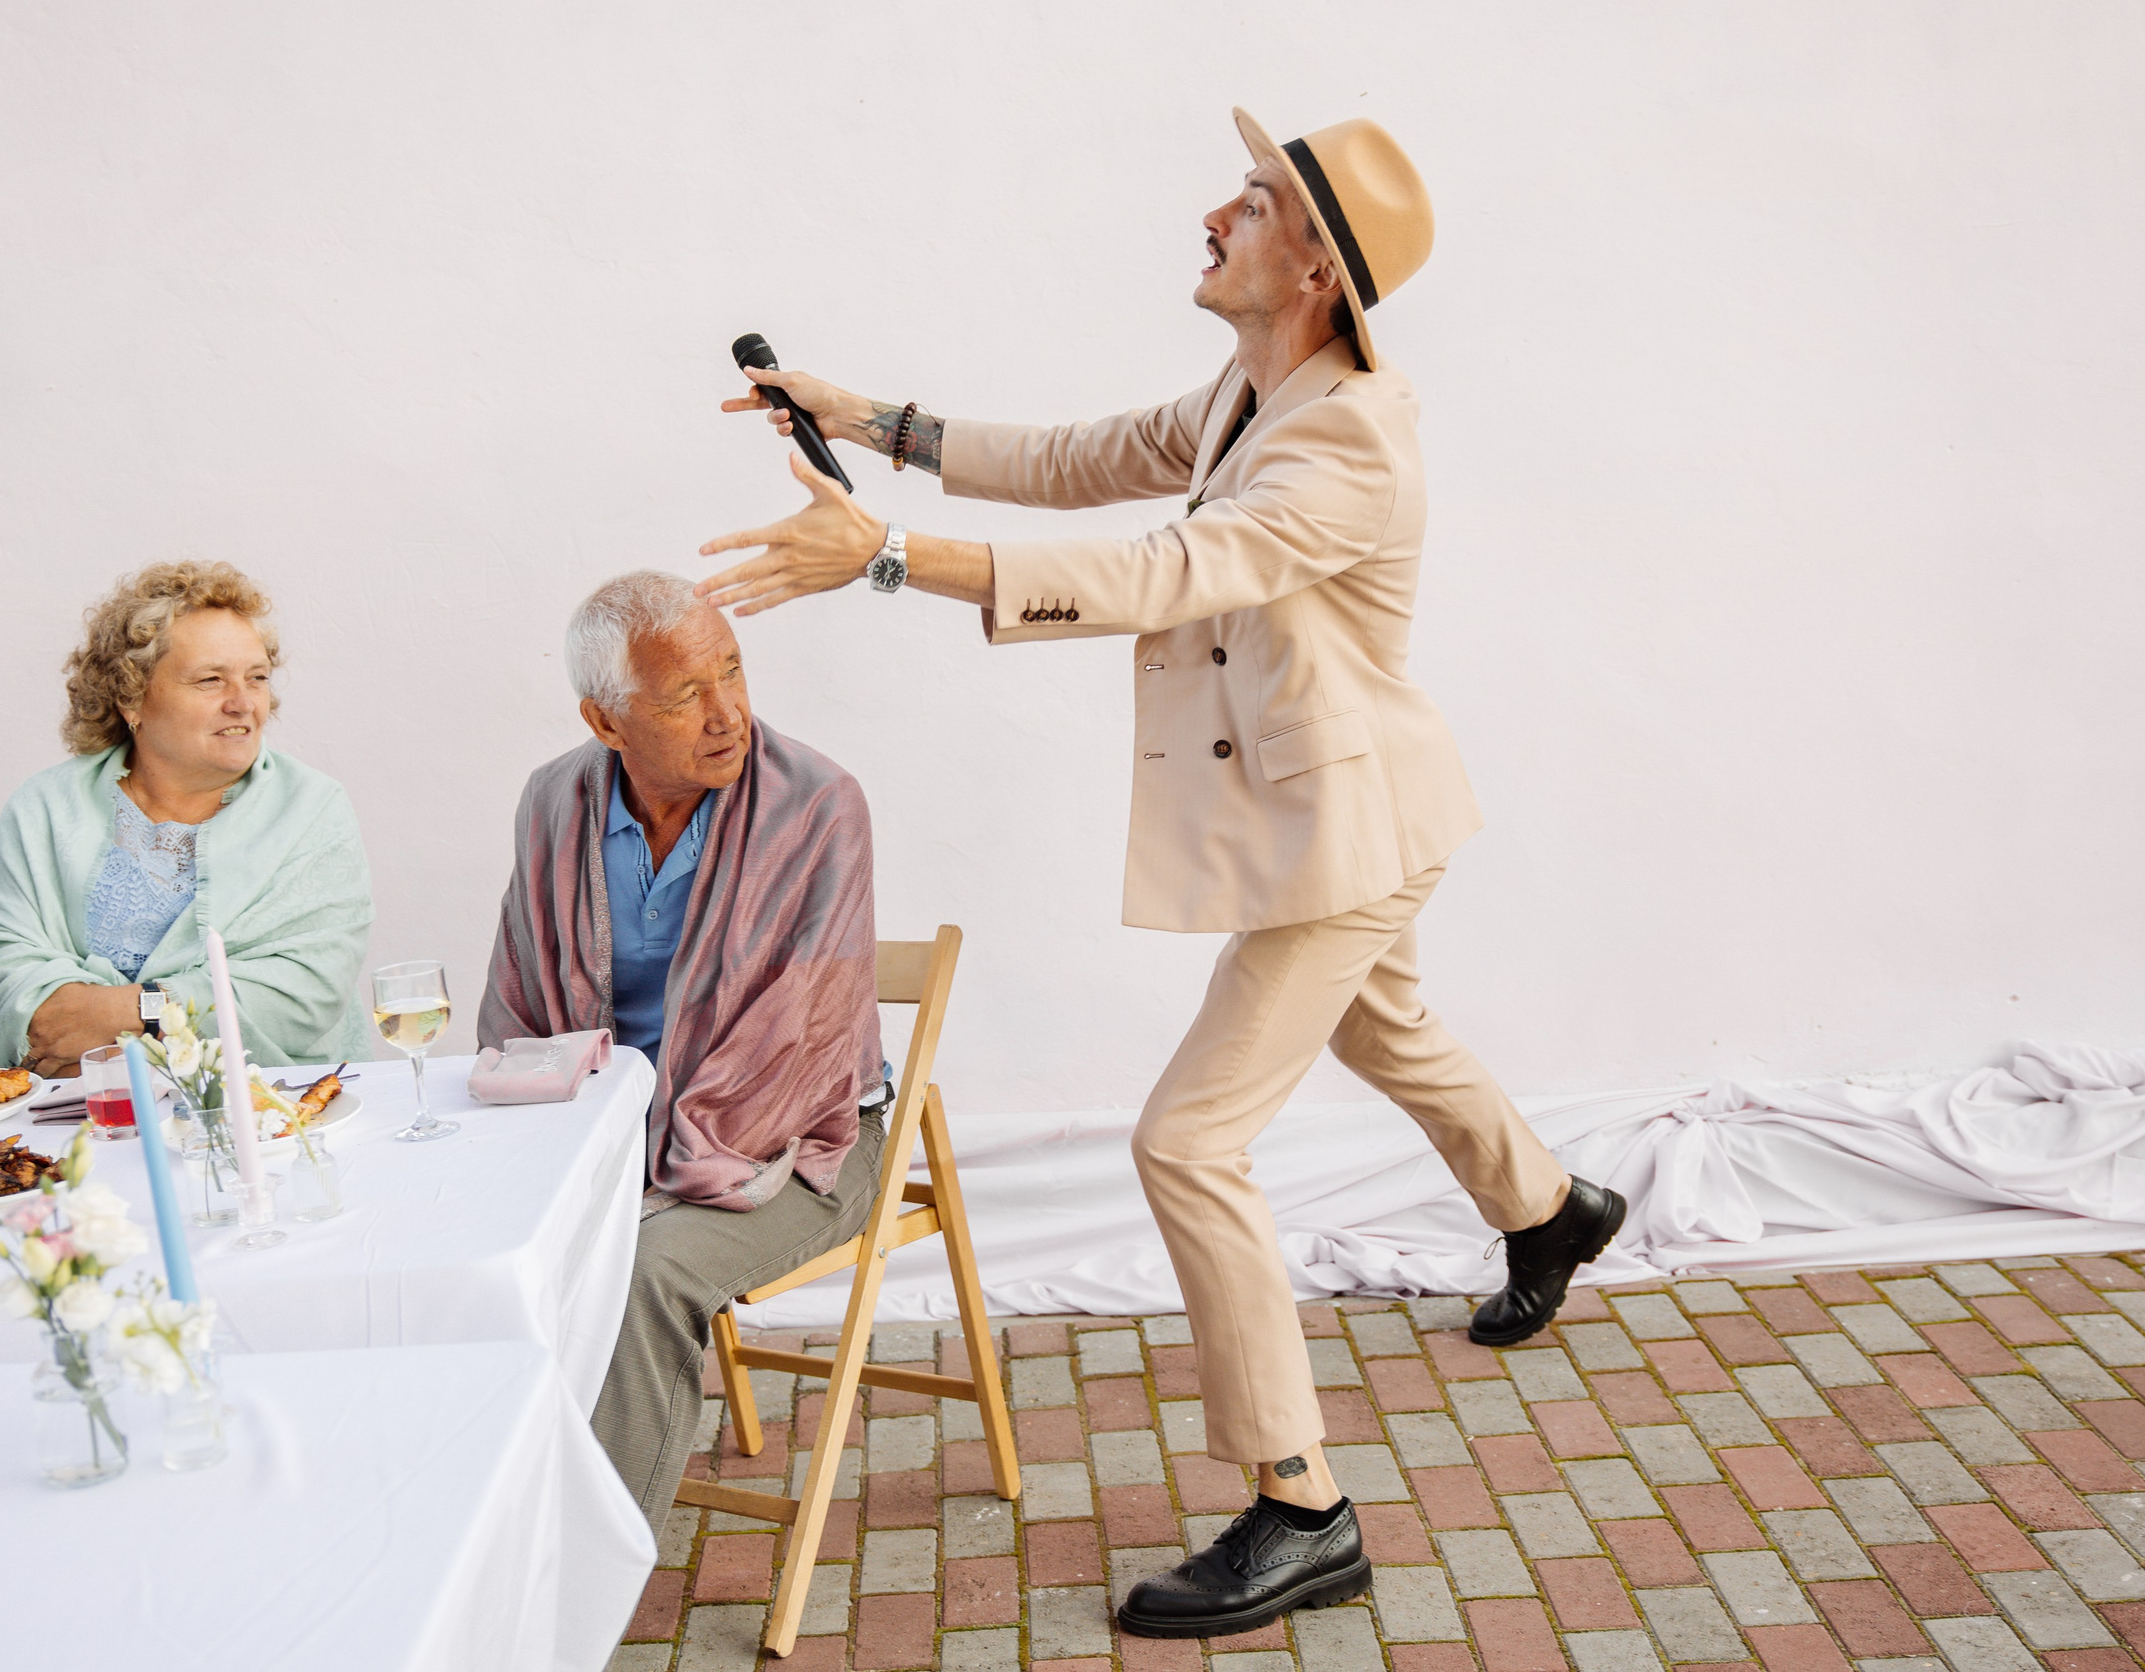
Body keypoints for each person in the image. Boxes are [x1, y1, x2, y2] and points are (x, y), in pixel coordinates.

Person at [698, 111, 1629, 1637]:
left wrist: (886, 558)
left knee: (1188, 1141)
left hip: (1347, 840)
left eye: (1253, 200)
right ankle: (1551, 1206)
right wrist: (870, 419)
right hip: (1329, 815)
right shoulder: (1251, 390)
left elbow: (1170, 570)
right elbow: (1087, 463)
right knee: (1383, 1025)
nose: (1216, 211)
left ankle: (1300, 1501)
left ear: (1317, 268)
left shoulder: (1350, 441)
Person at [479, 570, 888, 1534]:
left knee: (644, 1271)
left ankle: (576, 1584)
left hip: (796, 1142)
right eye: (684, 696)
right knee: (492, 1260)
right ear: (607, 721)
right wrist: (595, 1160)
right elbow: (517, 1016)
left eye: (733, 673)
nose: (728, 713)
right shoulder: (553, 803)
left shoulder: (820, 806)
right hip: (612, 1140)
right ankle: (486, 1541)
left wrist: (639, 1176)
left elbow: (800, 1050)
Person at [0, 561, 372, 1078]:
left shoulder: (312, 807)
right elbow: (5, 964)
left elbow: (305, 987)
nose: (243, 703)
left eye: (257, 678)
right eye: (211, 680)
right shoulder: (44, 806)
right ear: (130, 696)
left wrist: (132, 1015)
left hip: (275, 1106)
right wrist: (107, 1042)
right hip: (82, 1107)